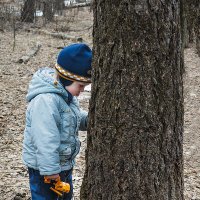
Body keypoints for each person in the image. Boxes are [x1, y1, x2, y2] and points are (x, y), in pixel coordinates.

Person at [22, 43, 92, 200]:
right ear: (67, 79)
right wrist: (50, 170)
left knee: (65, 197)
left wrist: (89, 120)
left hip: (63, 166)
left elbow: (72, 116)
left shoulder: (65, 95)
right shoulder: (45, 101)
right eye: (81, 86)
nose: (82, 90)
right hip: (45, 171)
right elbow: (44, 138)